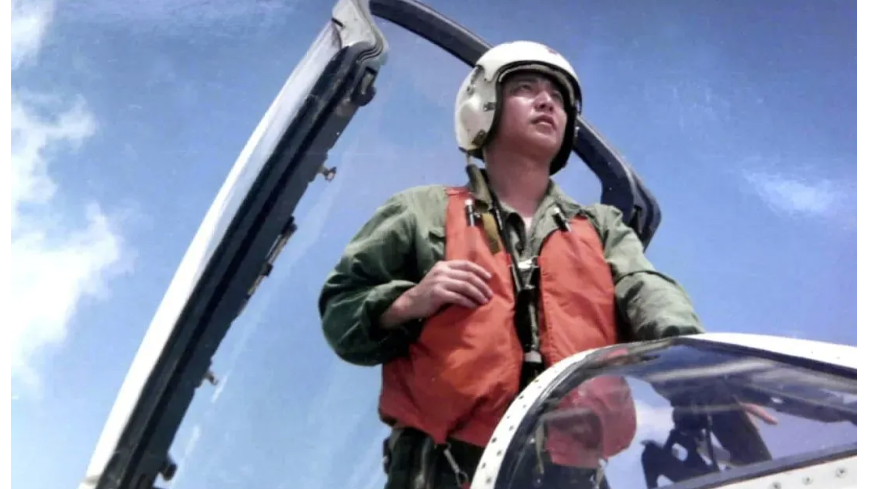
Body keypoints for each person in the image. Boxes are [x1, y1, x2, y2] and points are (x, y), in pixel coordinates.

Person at [318, 40, 704, 489]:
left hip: (572, 478)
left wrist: (700, 367)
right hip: (442, 472)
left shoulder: (601, 228)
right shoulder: (420, 212)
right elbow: (341, 313)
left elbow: (645, 289)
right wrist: (408, 302)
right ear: (483, 105)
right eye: (525, 88)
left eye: (558, 97)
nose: (547, 101)